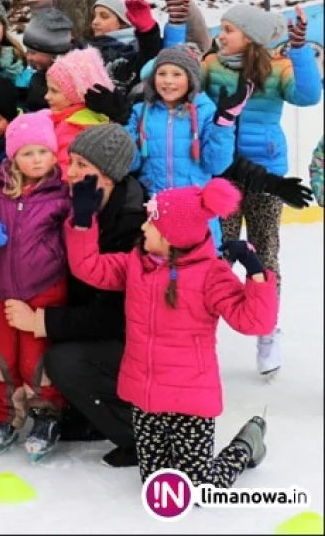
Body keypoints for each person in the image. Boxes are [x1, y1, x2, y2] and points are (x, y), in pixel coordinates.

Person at [65, 178, 275, 488]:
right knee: (156, 483)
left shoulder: (211, 275)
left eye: (152, 222)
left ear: (172, 237)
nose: (144, 228)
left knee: (201, 488)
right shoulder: (135, 265)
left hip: (190, 400)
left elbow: (255, 323)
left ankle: (247, 443)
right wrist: (83, 224)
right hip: (146, 397)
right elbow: (89, 268)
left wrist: (255, 272)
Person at [200, 4, 321, 377]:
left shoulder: (277, 68)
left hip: (267, 173)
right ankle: (202, 332)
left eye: (229, 29)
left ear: (250, 37)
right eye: (221, 28)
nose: (222, 35)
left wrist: (299, 49)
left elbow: (308, 95)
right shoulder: (211, 65)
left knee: (265, 250)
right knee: (219, 252)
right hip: (223, 169)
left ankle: (267, 329)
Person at [39, 124, 145, 468]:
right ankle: (90, 415)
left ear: (110, 175)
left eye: (83, 165)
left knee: (64, 360)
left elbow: (111, 315)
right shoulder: (87, 203)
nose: (70, 173)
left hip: (138, 343)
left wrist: (46, 321)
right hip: (110, 333)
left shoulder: (134, 222)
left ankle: (138, 435)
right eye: (71, 161)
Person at [0, 111, 70, 461]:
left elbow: (74, 232)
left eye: (43, 152)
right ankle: (3, 414)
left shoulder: (62, 192)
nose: (36, 160)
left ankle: (45, 413)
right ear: (14, 155)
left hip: (44, 287)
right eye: (28, 153)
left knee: (35, 356)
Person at [126, 45, 244, 244]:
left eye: (177, 74)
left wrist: (224, 124)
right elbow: (132, 163)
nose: (168, 81)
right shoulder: (141, 112)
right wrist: (123, 125)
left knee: (198, 270)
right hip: (156, 209)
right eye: (162, 73)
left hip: (196, 208)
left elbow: (217, 165)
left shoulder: (205, 111)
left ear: (190, 79)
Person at [43, 47, 114, 179]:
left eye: (54, 91)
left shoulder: (71, 127)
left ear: (75, 95)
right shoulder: (94, 118)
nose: (47, 96)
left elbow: (66, 171)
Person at [87, 0, 163, 98]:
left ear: (124, 22)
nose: (95, 21)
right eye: (95, 16)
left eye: (104, 16)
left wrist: (148, 33)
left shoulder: (134, 48)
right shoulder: (90, 46)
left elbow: (149, 55)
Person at [20, 0, 75, 113]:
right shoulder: (41, 74)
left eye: (33, 52)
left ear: (53, 52)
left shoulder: (67, 80)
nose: (29, 58)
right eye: (28, 51)